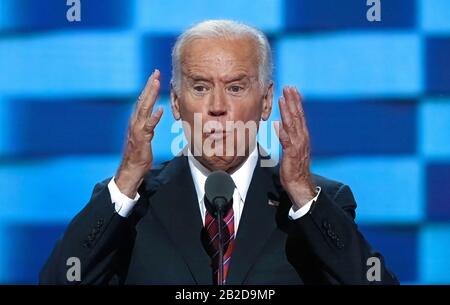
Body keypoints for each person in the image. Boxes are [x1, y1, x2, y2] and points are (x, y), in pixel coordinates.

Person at [40, 19, 398, 285]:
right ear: (177, 104)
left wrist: (303, 194)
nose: (217, 107)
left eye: (236, 87)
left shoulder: (320, 203)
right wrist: (127, 179)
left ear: (266, 102)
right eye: (199, 87)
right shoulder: (130, 204)